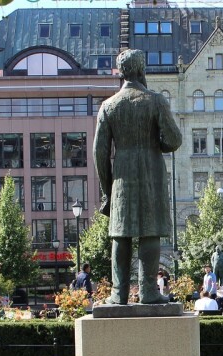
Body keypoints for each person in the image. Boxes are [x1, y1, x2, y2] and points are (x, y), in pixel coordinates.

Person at [94, 49, 182, 305]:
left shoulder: (109, 106)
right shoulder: (156, 101)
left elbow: (99, 154)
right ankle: (148, 292)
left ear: (120, 73)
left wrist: (107, 191)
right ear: (142, 70)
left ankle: (118, 294)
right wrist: (157, 145)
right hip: (151, 172)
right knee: (149, 232)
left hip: (121, 176)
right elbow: (174, 139)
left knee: (120, 234)